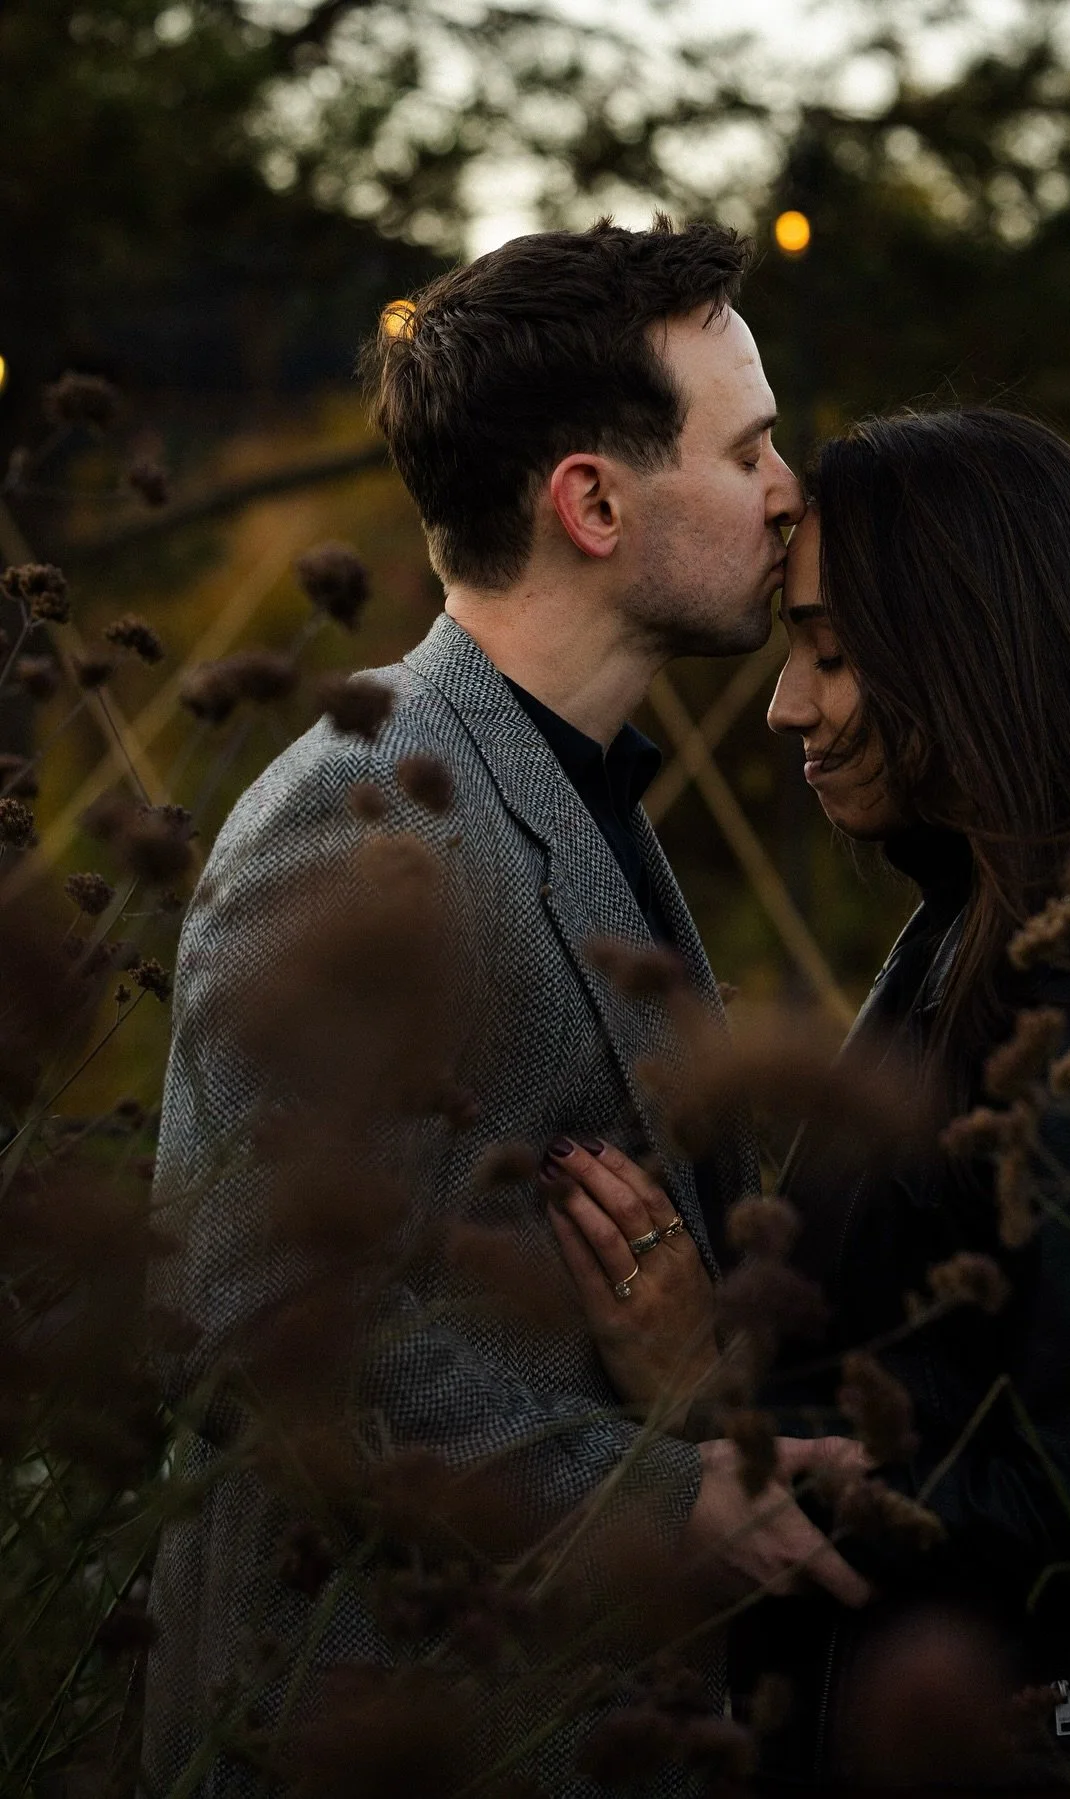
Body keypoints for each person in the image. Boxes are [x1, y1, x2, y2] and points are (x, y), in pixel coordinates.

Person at [141, 218, 869, 1799]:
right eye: (745, 450)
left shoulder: (569, 785)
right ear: (593, 503)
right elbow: (257, 1327)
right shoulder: (368, 819)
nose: (788, 487)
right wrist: (661, 1499)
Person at [549, 408, 1070, 1792]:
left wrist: (715, 1411)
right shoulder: (964, 943)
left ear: (972, 656)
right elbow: (937, 1360)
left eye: (833, 654)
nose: (789, 703)